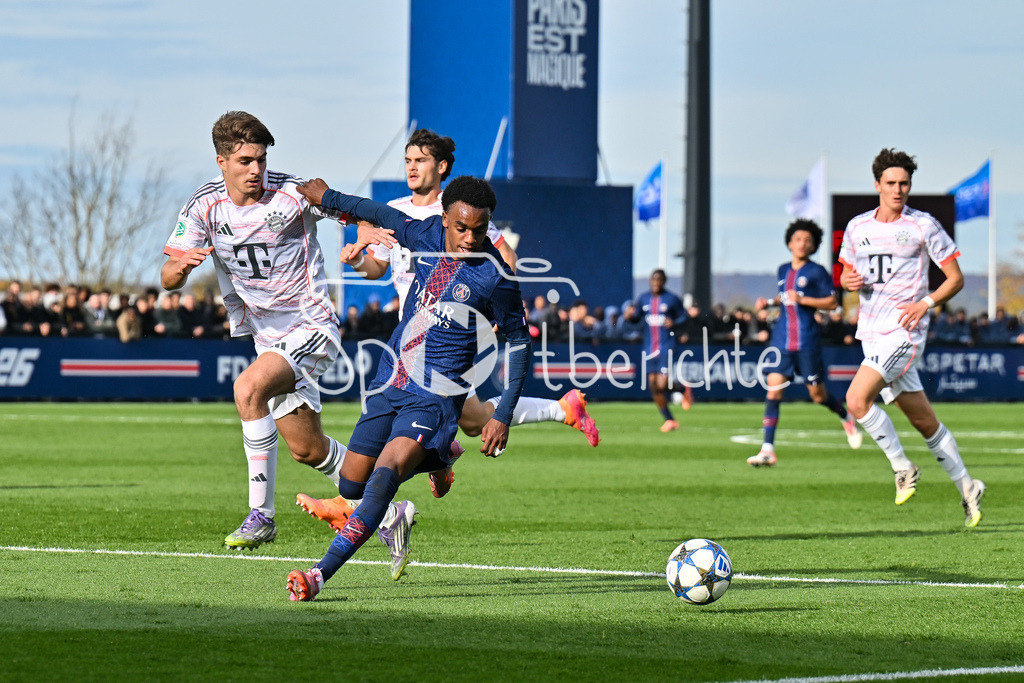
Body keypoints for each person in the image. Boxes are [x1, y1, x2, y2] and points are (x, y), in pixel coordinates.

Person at [160, 111, 415, 564]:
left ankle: (261, 515)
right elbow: (167, 276)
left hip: (311, 325)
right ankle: (390, 512)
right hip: (265, 337)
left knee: (248, 387)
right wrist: (178, 270)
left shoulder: (291, 192)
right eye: (244, 161)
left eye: (260, 159)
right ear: (221, 161)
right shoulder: (203, 205)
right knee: (307, 448)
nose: (255, 169)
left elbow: (343, 208)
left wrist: (363, 228)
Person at [285, 175, 531, 601]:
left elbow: (522, 342)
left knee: (384, 478)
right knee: (350, 486)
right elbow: (379, 213)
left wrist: (503, 415)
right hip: (390, 380)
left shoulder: (496, 277)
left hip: (436, 396)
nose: (470, 238)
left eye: (479, 229)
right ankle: (439, 455)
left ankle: (317, 575)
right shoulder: (424, 233)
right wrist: (328, 198)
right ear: (444, 218)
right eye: (461, 227)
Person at [340, 129, 599, 460]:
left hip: (450, 329)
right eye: (407, 160)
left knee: (416, 410)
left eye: (420, 160)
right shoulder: (396, 209)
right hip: (411, 328)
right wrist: (357, 261)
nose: (412, 167)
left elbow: (507, 260)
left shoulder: (464, 211)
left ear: (442, 166)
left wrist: (490, 312)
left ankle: (366, 496)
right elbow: (377, 268)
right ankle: (561, 409)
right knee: (472, 419)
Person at [838, 147, 984, 527]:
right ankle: (968, 487)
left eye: (904, 183)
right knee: (924, 422)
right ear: (877, 185)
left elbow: (955, 278)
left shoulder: (924, 225)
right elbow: (846, 275)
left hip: (904, 332)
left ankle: (902, 467)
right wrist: (846, 281)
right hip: (870, 332)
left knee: (856, 400)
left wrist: (926, 302)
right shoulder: (857, 228)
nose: (898, 189)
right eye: (891, 183)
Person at [747, 219, 862, 467]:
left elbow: (832, 303)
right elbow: (785, 297)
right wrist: (768, 303)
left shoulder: (817, 272)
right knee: (773, 390)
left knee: (818, 395)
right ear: (789, 243)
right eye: (798, 239)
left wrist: (803, 299)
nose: (802, 244)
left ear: (813, 246)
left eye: (808, 241)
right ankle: (768, 449)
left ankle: (845, 416)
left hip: (807, 341)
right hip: (781, 342)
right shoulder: (782, 270)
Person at [623, 269, 693, 432]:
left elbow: (685, 317)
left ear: (663, 281)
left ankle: (683, 389)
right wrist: (629, 316)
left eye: (658, 280)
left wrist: (674, 322)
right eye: (653, 280)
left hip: (667, 345)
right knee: (653, 386)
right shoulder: (644, 299)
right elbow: (636, 318)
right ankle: (669, 420)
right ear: (650, 281)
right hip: (649, 347)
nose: (655, 283)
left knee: (661, 383)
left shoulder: (672, 299)